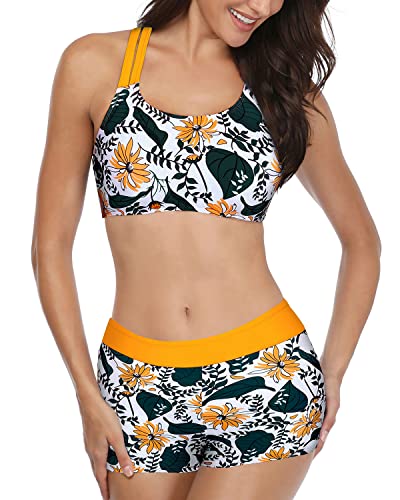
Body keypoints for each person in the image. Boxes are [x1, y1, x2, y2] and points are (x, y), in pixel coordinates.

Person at [31, 1, 381, 499]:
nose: (262, 6)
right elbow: (49, 247)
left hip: (267, 375)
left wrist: (334, 372)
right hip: (135, 384)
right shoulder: (93, 65)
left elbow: (362, 241)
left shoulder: (282, 89)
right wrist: (86, 393)